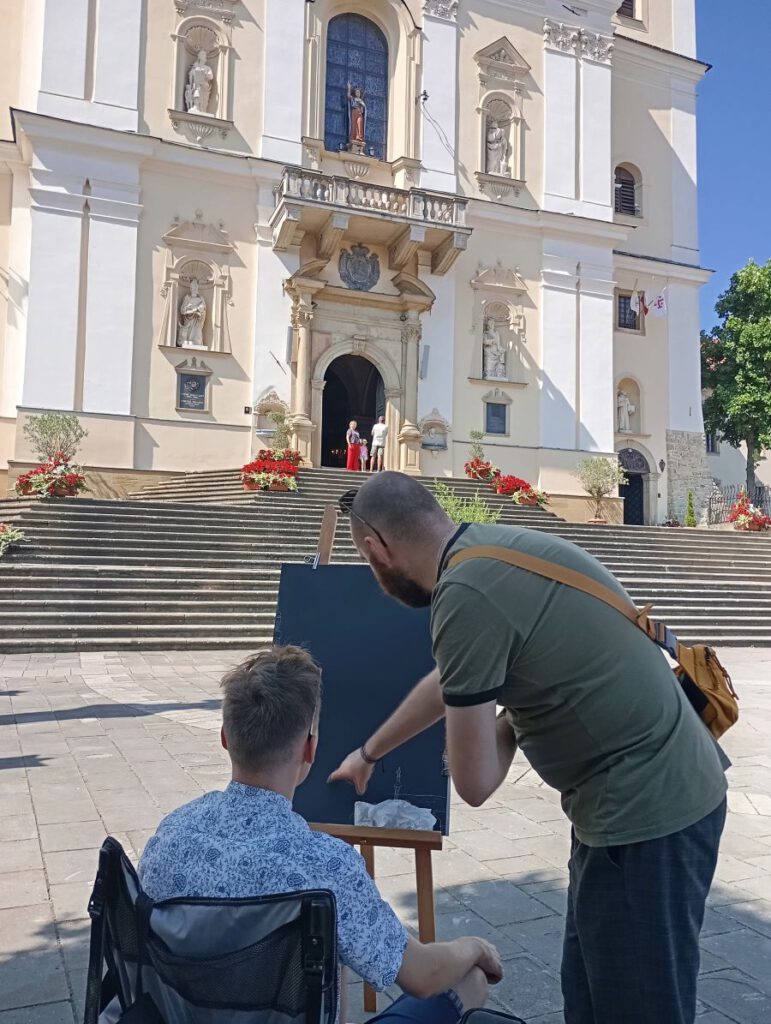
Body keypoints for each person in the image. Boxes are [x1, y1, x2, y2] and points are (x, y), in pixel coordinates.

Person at [329, 472, 729, 1024]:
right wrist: (370, 753)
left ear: (377, 550)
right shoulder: (486, 550)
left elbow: (475, 781)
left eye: (366, 561)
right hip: (645, 792)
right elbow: (452, 679)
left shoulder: (464, 596)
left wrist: (516, 709)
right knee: (589, 996)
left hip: (647, 811)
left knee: (634, 1004)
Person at [139, 646, 502, 1024]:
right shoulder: (327, 867)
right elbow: (423, 975)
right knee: (470, 980)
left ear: (225, 738)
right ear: (310, 749)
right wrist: (473, 946)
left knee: (333, 937)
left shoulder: (170, 837)